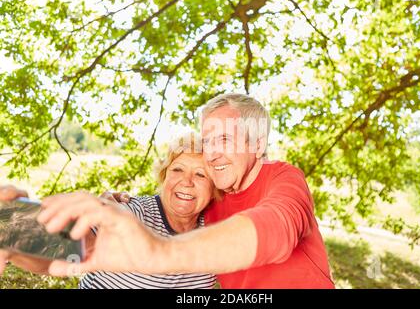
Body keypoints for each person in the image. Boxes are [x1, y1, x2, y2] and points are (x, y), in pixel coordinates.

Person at [3, 93, 335, 288]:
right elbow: (84, 243)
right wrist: (11, 229)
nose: (213, 154)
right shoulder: (140, 212)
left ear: (258, 144)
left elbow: (277, 228)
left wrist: (159, 253)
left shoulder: (283, 179)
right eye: (207, 142)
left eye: (224, 140)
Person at [0, 133, 219, 289]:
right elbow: (73, 246)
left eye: (200, 175)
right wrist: (13, 232)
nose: (186, 182)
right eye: (177, 169)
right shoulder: (133, 214)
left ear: (214, 187)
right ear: (164, 176)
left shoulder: (214, 233)